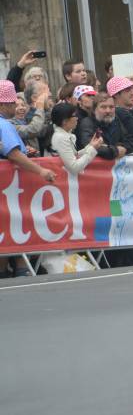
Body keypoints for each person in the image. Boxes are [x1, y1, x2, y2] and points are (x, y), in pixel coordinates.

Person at [0, 80, 56, 277]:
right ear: (3, 105)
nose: (16, 106)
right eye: (12, 103)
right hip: (11, 190)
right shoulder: (4, 125)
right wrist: (41, 171)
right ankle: (20, 268)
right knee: (14, 224)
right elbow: (13, 154)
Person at [77, 92, 133, 160]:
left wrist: (124, 148)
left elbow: (130, 142)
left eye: (111, 107)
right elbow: (91, 147)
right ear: (95, 109)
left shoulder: (116, 121)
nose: (108, 111)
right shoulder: (87, 123)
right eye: (103, 107)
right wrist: (115, 150)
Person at [50, 102, 100, 175]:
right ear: (64, 121)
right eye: (74, 116)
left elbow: (73, 155)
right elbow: (74, 168)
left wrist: (90, 146)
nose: (77, 118)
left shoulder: (64, 135)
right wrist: (92, 149)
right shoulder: (61, 138)